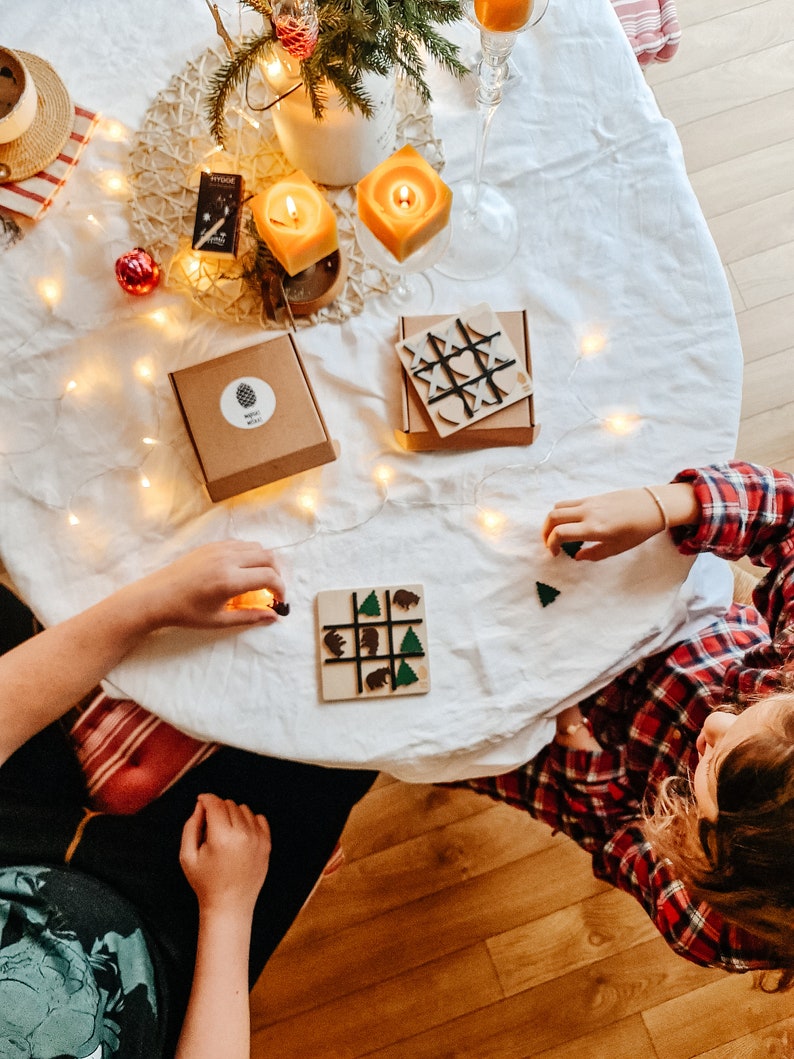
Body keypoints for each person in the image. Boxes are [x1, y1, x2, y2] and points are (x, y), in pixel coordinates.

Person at [0, 540, 376, 1058]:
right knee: (353, 724)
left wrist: (154, 601)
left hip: (13, 847)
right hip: (170, 947)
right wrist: (228, 907)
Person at [457, 461, 794, 989]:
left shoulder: (711, 923)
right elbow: (786, 517)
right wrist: (670, 505)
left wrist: (571, 730)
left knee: (439, 730)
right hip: (679, 631)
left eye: (706, 770)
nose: (715, 720)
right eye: (758, 711)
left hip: (575, 754)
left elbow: (613, 833)